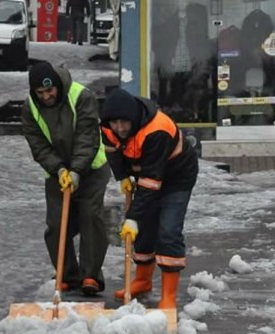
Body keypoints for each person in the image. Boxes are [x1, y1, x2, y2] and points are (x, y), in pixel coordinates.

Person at [100, 88, 198, 309]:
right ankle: (142, 282)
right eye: (114, 123)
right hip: (146, 174)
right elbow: (112, 152)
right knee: (144, 229)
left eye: (124, 122)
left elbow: (151, 182)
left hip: (176, 178)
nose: (120, 128)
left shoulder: (157, 130)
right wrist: (123, 176)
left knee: (168, 230)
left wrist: (132, 217)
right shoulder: (107, 128)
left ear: (133, 117)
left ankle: (169, 295)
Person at [21, 61, 110, 295]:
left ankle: (90, 276)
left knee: (90, 217)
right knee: (56, 224)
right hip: (57, 172)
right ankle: (67, 274)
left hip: (91, 168)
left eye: (49, 91)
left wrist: (77, 171)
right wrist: (59, 170)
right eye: (40, 93)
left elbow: (87, 137)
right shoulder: (30, 107)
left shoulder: (81, 96)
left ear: (57, 86)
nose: (46, 96)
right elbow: (38, 145)